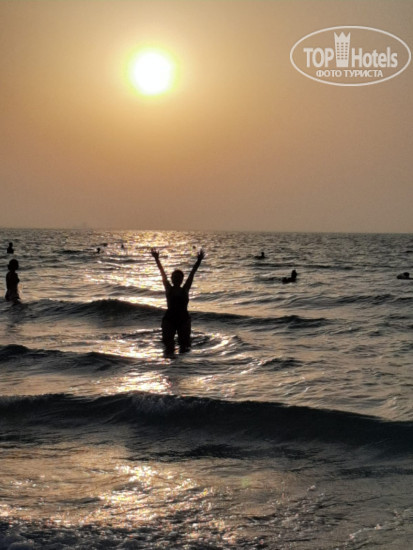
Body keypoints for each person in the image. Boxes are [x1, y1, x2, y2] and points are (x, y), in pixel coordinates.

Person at [151, 248, 204, 353]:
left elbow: (192, 274)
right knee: (167, 346)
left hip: (183, 319)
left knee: (185, 346)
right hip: (169, 319)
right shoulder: (168, 288)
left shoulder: (185, 289)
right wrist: (157, 259)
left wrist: (198, 261)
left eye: (179, 277)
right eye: (175, 277)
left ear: (182, 280)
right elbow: (162, 273)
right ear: (171, 279)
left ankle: (181, 363)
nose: (177, 279)